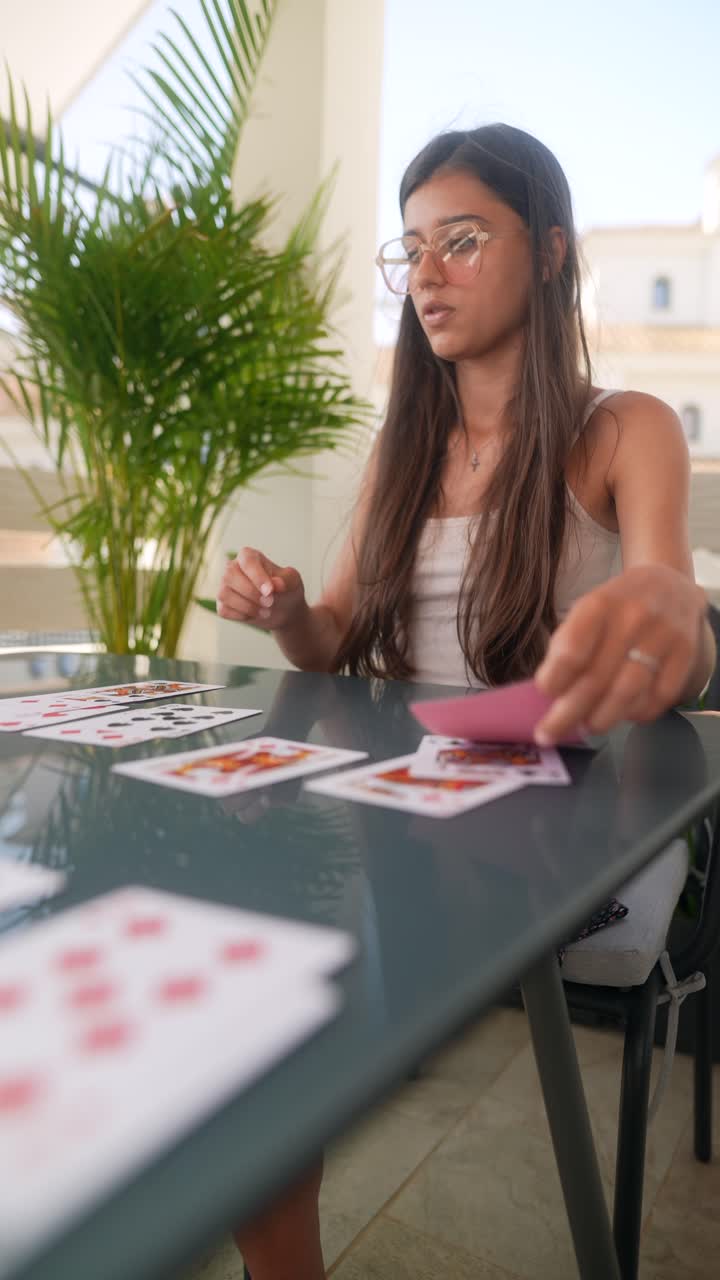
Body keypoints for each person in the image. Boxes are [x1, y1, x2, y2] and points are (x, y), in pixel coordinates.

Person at [216, 123, 716, 1280]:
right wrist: (288, 606)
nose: (426, 275)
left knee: (295, 974)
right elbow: (335, 638)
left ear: (547, 251)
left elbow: (674, 625)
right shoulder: (403, 446)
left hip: (578, 814)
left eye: (461, 241)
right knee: (258, 947)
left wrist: (667, 620)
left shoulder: (623, 429)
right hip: (411, 804)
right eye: (411, 252)